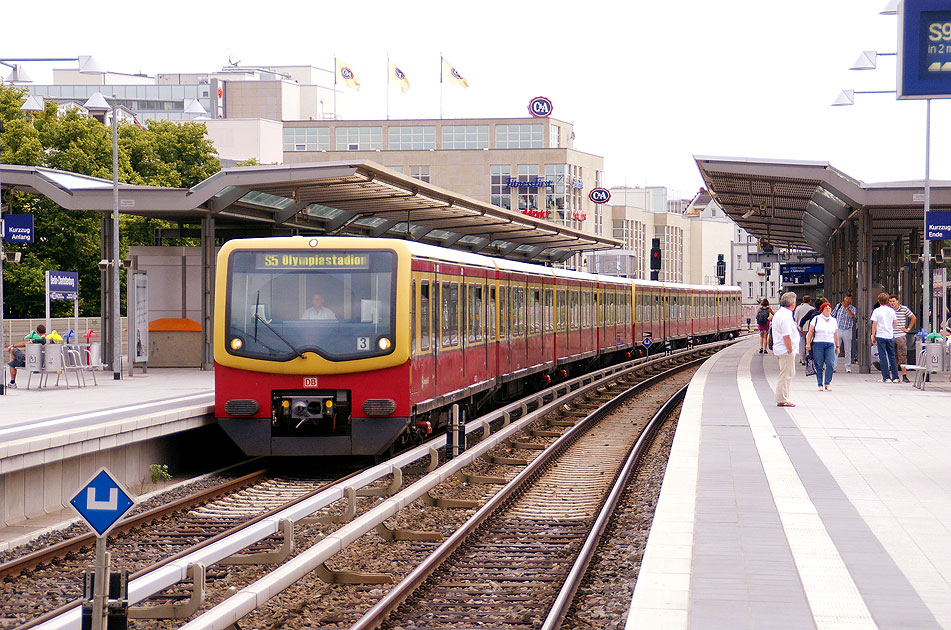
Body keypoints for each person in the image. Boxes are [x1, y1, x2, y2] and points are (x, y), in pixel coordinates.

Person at [771, 291, 800, 407]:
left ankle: (782, 398)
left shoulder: (779, 313)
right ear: (793, 304)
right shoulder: (786, 316)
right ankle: (782, 399)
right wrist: (790, 350)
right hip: (785, 350)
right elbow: (786, 335)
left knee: (787, 373)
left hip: (781, 348)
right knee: (786, 375)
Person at [805, 301, 839, 391]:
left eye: (829, 308)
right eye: (826, 308)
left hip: (830, 343)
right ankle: (820, 383)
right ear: (822, 310)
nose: (828, 310)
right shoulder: (816, 319)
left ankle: (827, 383)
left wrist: (837, 346)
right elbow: (810, 332)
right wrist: (808, 343)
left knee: (830, 363)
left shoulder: (833, 320)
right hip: (818, 343)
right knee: (819, 364)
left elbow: (836, 334)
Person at [870, 292, 899, 383]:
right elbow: (895, 323)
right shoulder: (892, 311)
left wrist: (873, 335)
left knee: (882, 357)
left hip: (880, 335)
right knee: (892, 356)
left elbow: (874, 324)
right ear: (887, 301)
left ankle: (886, 377)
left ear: (879, 301)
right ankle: (895, 377)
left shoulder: (876, 311)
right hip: (889, 335)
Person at [6, 324, 47, 389]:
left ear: (37, 332)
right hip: (44, 363)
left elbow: (24, 344)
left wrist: (13, 345)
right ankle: (12, 382)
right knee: (12, 363)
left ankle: (13, 383)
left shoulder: (38, 339)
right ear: (45, 331)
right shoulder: (50, 340)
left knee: (13, 349)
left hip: (31, 362)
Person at [888, 294, 916, 383]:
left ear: (897, 301)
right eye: (890, 301)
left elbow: (913, 318)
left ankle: (904, 375)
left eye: (893, 301)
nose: (892, 303)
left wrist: (908, 329)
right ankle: (895, 375)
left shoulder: (904, 309)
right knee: (893, 356)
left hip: (900, 335)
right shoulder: (888, 310)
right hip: (891, 335)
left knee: (902, 355)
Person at [831, 294, 856, 373]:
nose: (848, 302)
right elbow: (832, 315)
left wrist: (847, 308)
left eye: (849, 300)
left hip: (847, 330)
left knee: (847, 349)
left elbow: (852, 316)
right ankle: (834, 366)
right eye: (846, 300)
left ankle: (848, 366)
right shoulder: (838, 306)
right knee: (836, 348)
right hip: (838, 329)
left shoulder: (853, 308)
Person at [794, 295, 814, 364]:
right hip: (809, 327)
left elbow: (795, 318)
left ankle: (802, 359)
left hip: (801, 327)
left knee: (801, 343)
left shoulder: (798, 308)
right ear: (810, 301)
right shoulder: (812, 308)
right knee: (809, 342)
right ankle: (808, 356)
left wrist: (797, 327)